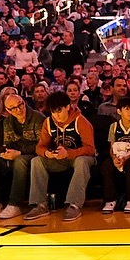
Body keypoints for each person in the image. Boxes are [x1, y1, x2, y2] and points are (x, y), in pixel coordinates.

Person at [26, 91, 96, 223]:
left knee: (81, 162)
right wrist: (47, 153)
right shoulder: (48, 122)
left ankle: (74, 205)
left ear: (68, 107)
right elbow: (39, 147)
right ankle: (40, 204)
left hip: (81, 157)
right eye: (53, 112)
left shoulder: (80, 121)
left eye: (59, 111)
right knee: (37, 160)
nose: (56, 115)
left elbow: (90, 149)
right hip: (61, 159)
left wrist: (68, 153)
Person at [0, 91, 45, 219]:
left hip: (34, 155)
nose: (18, 109)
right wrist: (7, 152)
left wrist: (20, 152)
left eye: (20, 105)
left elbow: (41, 145)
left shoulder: (38, 117)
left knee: (20, 161)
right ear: (7, 110)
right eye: (13, 108)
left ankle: (14, 204)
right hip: (15, 153)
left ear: (24, 102)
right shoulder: (7, 122)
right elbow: (8, 143)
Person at [99, 97, 130, 213]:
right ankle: (109, 200)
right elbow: (112, 148)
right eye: (127, 109)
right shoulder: (114, 126)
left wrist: (126, 158)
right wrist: (114, 158)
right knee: (106, 165)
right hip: (117, 156)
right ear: (119, 111)